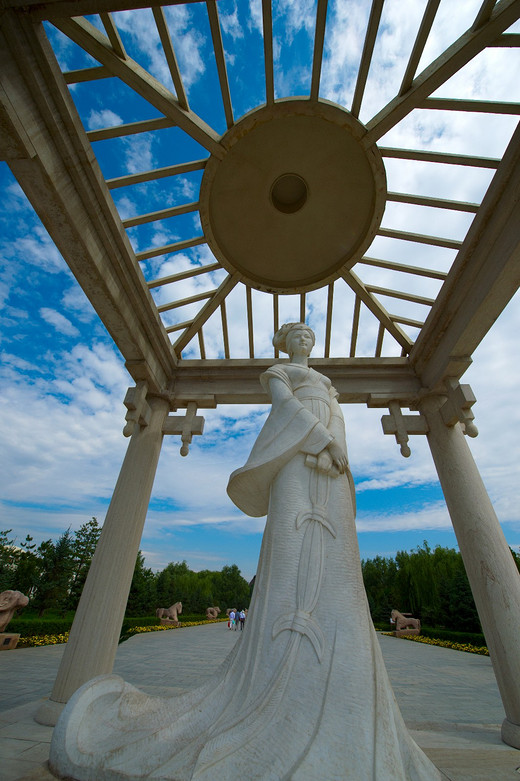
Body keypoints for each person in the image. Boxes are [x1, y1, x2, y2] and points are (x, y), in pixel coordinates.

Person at [50, 323, 441, 781]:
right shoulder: (278, 372)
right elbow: (286, 406)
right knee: (294, 536)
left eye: (310, 337)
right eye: (297, 336)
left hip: (332, 463)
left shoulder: (328, 384)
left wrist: (336, 447)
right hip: (296, 457)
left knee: (337, 552)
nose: (305, 342)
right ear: (283, 343)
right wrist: (321, 437)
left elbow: (335, 414)